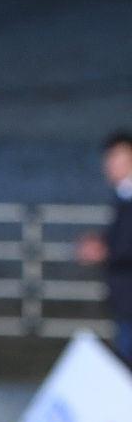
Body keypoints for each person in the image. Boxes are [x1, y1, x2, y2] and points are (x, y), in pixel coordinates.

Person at [77, 131, 132, 368]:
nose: (110, 165)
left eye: (118, 158)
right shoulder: (122, 195)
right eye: (109, 158)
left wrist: (105, 250)